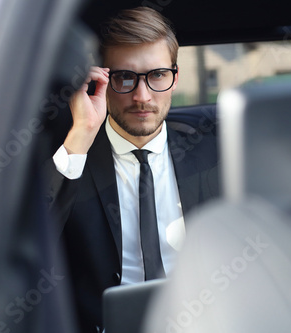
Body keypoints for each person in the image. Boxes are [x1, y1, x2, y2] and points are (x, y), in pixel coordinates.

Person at [46, 7, 219, 332]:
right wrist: (81, 133)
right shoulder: (72, 157)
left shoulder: (216, 150)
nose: (142, 96)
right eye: (125, 77)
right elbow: (32, 234)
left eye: (156, 75)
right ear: (101, 80)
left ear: (175, 77)